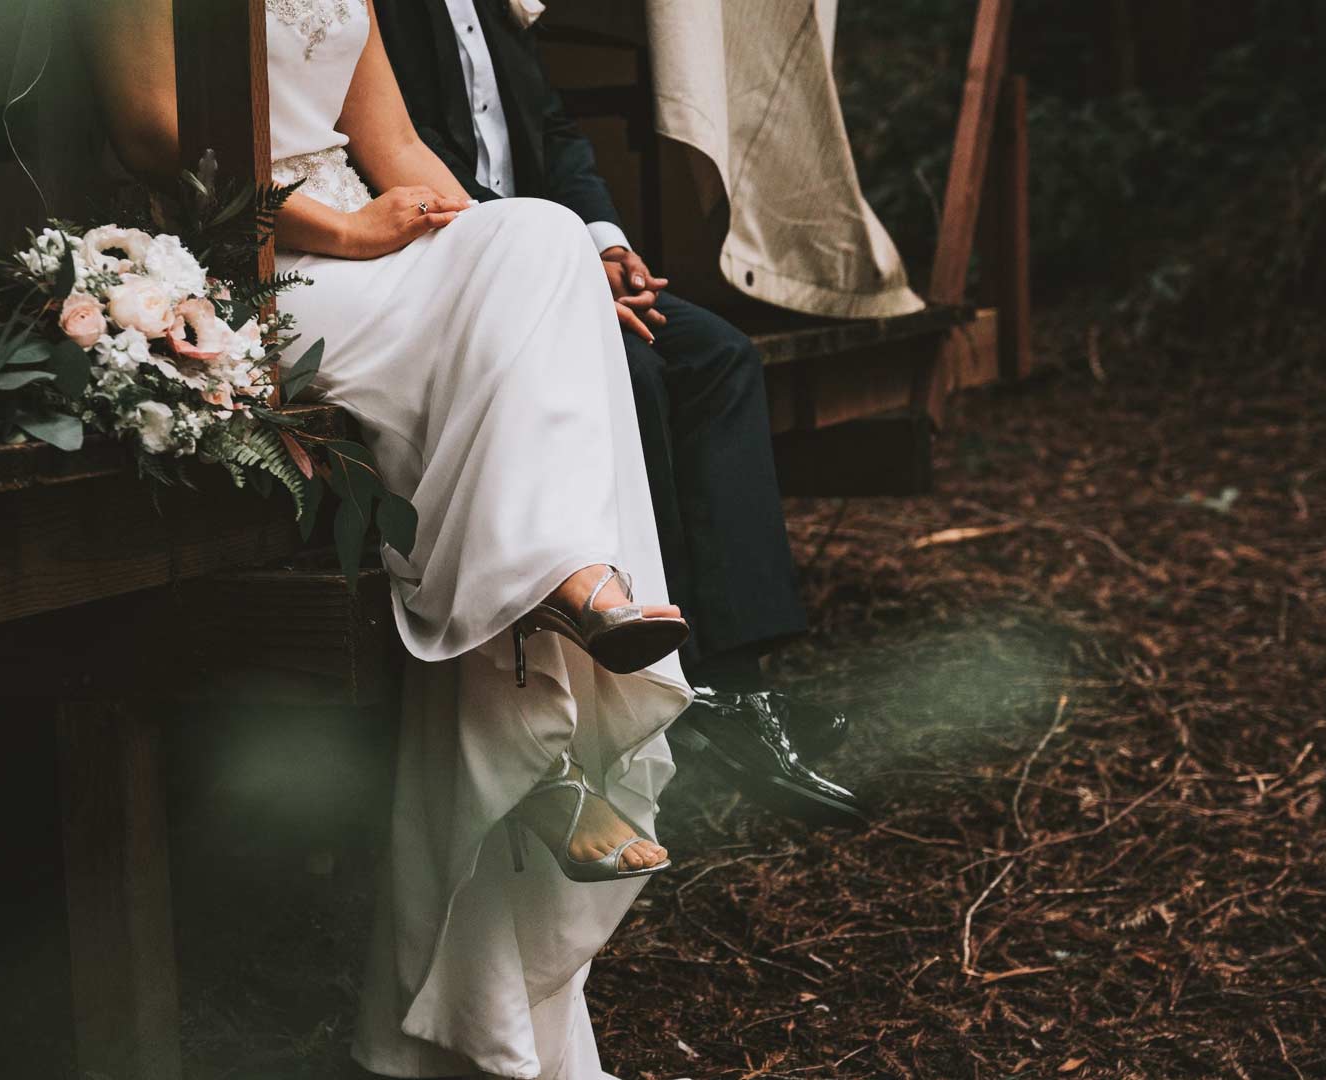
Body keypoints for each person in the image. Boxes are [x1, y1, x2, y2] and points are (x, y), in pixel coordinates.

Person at [78, 2, 699, 1076]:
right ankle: (547, 730)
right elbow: (155, 137)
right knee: (522, 348)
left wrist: (513, 265)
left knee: (543, 239)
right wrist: (347, 230)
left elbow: (400, 148)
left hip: (377, 247)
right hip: (250, 268)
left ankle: (550, 626)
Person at [373, 0, 864, 826]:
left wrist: (603, 244)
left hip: (558, 254)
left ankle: (733, 684)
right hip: (459, 267)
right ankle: (661, 684)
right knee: (628, 372)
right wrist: (558, 273)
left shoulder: (499, 10)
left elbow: (556, 133)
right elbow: (395, 158)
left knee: (716, 358)